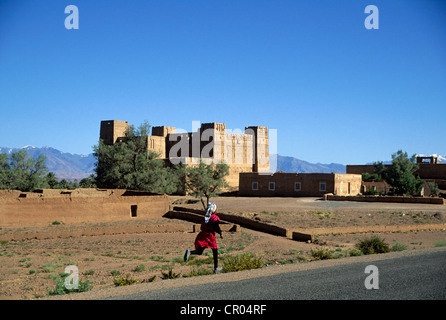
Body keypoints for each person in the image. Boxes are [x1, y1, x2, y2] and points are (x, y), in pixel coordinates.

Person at [184, 202, 223, 274]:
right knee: (215, 251)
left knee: (200, 251)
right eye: (216, 209)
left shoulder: (204, 218)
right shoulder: (214, 218)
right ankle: (216, 267)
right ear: (214, 210)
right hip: (210, 236)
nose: (217, 210)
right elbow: (216, 227)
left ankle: (190, 253)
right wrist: (220, 233)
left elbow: (202, 227)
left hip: (202, 235)